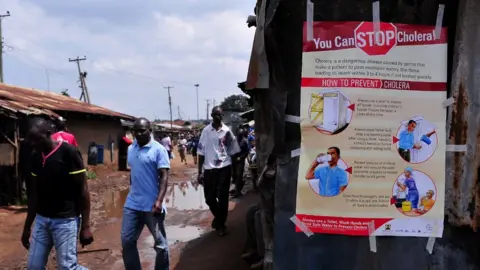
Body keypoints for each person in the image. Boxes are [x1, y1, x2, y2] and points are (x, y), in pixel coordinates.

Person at [21, 117, 93, 269]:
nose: (33, 144)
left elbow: (83, 190)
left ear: (48, 134)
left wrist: (85, 226)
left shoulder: (69, 153)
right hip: (42, 220)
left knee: (67, 267)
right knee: (34, 266)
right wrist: (27, 227)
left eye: (36, 140)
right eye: (30, 141)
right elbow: (34, 195)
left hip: (65, 221)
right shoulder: (35, 157)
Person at [121, 118, 170, 270]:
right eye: (136, 131)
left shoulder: (158, 149)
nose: (139, 133)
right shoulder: (131, 149)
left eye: (143, 130)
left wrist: (159, 200)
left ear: (150, 130)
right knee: (127, 242)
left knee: (161, 245)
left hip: (152, 206)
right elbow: (133, 174)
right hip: (133, 205)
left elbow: (164, 176)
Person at [197, 106, 240, 236]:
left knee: (222, 198)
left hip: (224, 167)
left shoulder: (227, 131)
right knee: (209, 199)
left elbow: (234, 150)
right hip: (209, 169)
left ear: (222, 116)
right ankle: (219, 219)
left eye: (220, 115)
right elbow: (201, 152)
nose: (218, 117)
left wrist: (234, 171)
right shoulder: (206, 131)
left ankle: (221, 225)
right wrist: (199, 171)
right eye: (215, 114)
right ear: (211, 115)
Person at [241, 204, 264, 270]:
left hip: (291, 214)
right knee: (251, 211)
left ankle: (263, 255)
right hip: (279, 207)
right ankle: (253, 247)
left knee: (258, 216)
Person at [231, 127, 250, 198]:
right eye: (239, 134)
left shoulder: (244, 141)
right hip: (233, 160)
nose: (240, 135)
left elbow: (247, 151)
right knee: (234, 175)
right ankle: (239, 187)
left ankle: (237, 191)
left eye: (241, 134)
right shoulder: (234, 140)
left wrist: (241, 157)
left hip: (240, 161)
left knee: (239, 175)